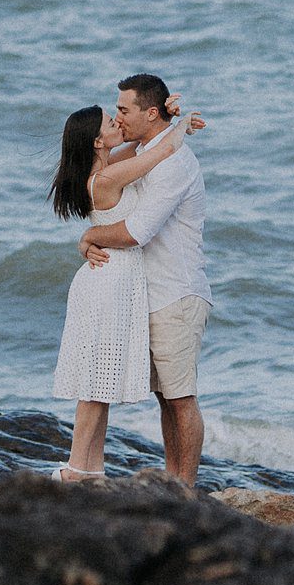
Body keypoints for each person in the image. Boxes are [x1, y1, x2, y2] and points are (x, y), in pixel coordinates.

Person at [76, 73, 211, 484]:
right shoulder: (143, 152)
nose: (118, 118)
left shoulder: (174, 163)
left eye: (123, 110)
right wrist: (174, 124)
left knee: (181, 398)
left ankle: (184, 489)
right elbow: (128, 160)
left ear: (148, 112)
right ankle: (174, 484)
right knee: (164, 398)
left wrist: (89, 236)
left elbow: (137, 231)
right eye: (114, 112)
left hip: (175, 293)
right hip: (143, 295)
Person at [46, 102, 190, 479]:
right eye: (112, 122)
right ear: (97, 141)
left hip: (110, 280)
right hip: (109, 281)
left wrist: (166, 116)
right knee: (94, 384)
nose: (118, 122)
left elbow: (145, 143)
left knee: (100, 382)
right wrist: (184, 121)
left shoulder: (107, 168)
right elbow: (162, 151)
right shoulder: (108, 178)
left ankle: (93, 468)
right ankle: (76, 467)